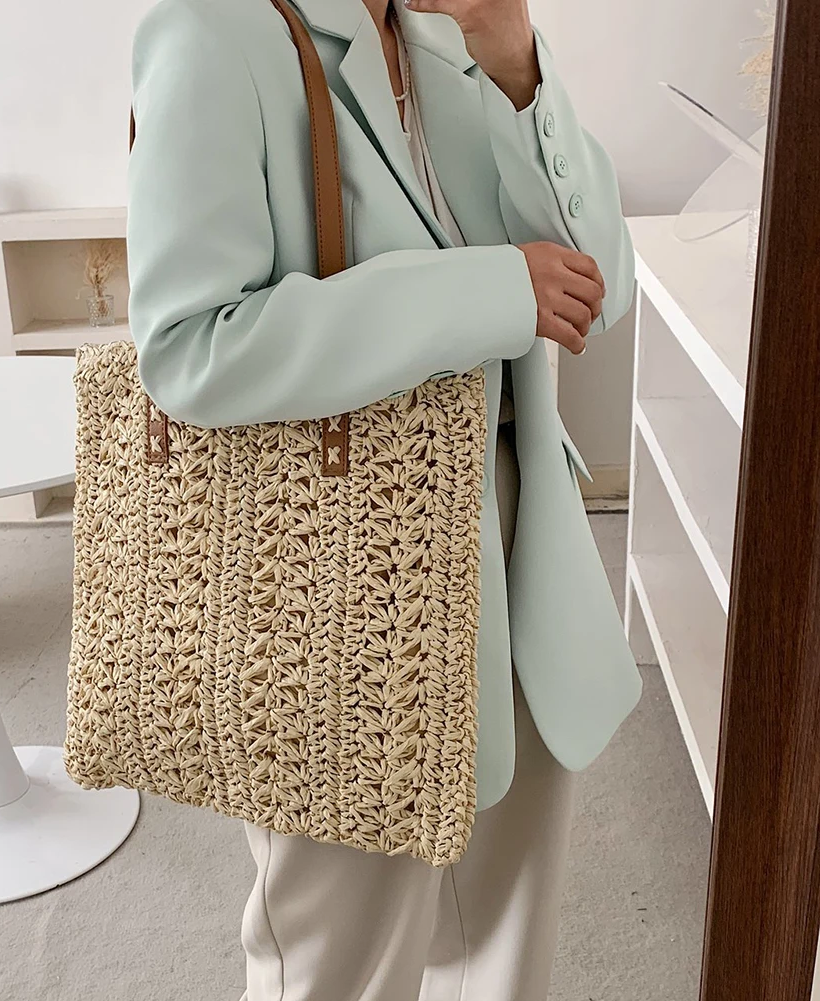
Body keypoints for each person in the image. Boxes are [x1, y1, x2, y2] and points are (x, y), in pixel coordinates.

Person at [126, 0, 642, 997]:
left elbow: (598, 289)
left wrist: (511, 57)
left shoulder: (441, 28)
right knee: (341, 959)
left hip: (518, 540)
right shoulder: (210, 29)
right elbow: (189, 348)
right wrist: (489, 291)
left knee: (502, 947)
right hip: (335, 574)